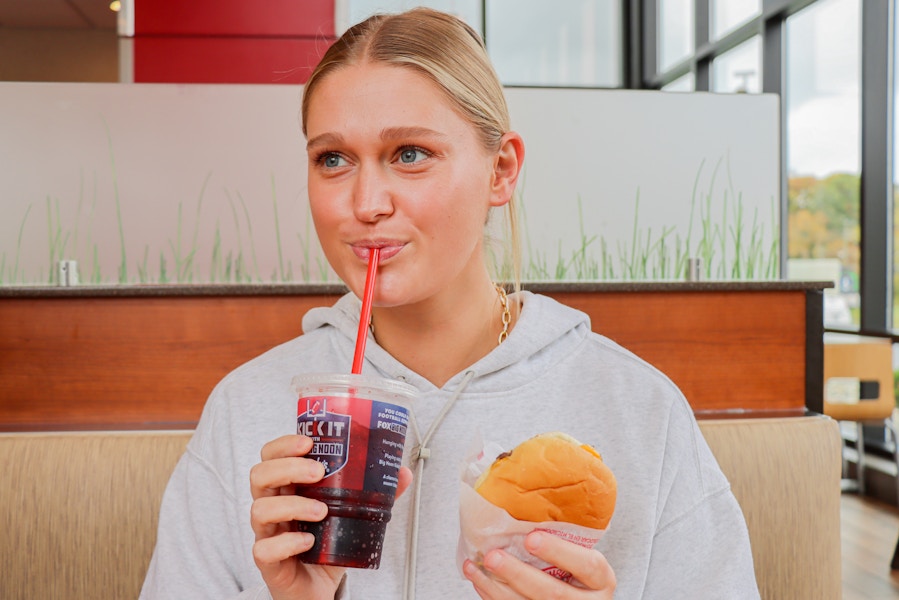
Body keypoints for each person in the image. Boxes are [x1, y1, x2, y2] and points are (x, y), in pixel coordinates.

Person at [140, 7, 760, 600]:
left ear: (501, 170)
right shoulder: (247, 408)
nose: (366, 203)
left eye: (410, 154)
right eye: (333, 159)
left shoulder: (636, 408)